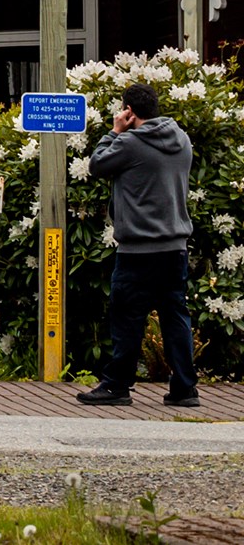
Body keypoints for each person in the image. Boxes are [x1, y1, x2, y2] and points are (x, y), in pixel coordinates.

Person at [78, 82, 197, 408]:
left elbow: (97, 165)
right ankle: (185, 389)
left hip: (138, 251)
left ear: (129, 111)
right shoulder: (182, 140)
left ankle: (117, 385)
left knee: (127, 318)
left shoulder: (129, 143)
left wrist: (114, 131)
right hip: (175, 247)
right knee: (175, 317)